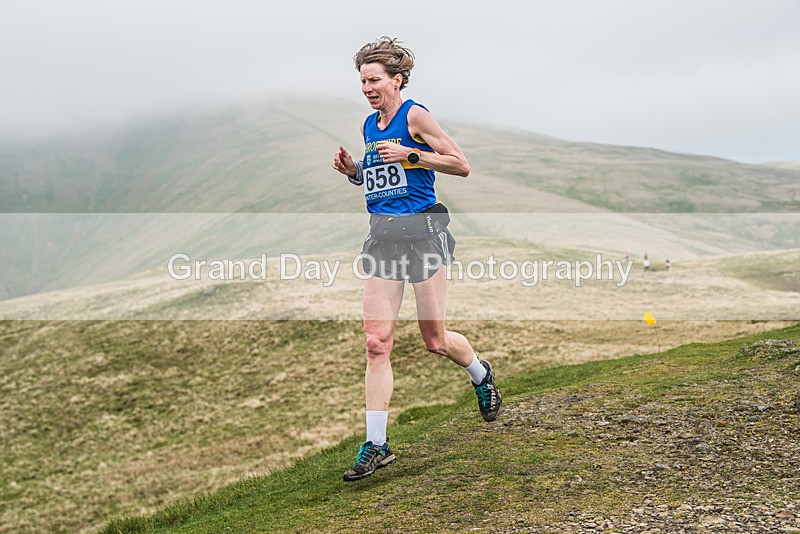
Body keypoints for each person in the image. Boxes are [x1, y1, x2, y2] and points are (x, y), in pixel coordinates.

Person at [332, 37, 502, 482]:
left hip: (425, 237)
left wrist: (411, 154)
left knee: (435, 339)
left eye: (374, 79)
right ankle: (376, 444)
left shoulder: (416, 115)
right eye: (362, 80)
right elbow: (383, 179)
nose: (367, 87)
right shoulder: (371, 124)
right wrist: (355, 172)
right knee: (376, 342)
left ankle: (481, 375)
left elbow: (460, 164)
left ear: (397, 79)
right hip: (384, 240)